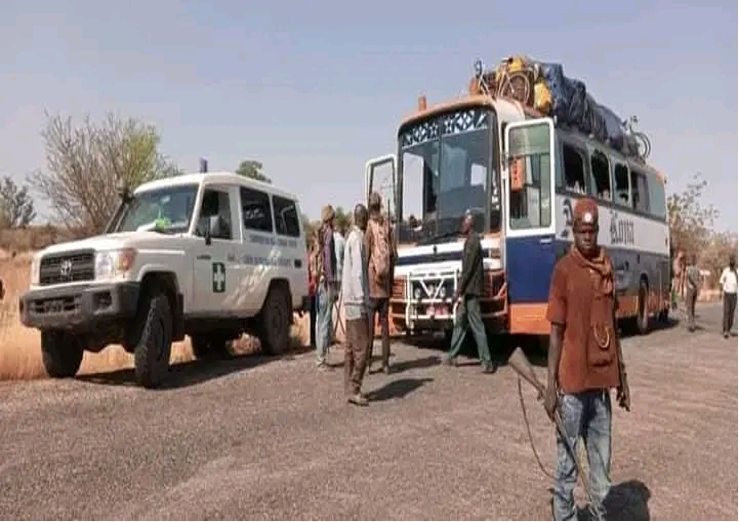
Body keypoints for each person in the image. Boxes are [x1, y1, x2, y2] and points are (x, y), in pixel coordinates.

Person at [544, 197, 631, 522]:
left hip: (601, 389)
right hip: (571, 389)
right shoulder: (563, 271)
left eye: (592, 230)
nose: (587, 236)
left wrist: (622, 378)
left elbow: (613, 327)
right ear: (574, 230)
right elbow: (555, 333)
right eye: (582, 230)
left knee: (601, 471)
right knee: (566, 468)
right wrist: (552, 385)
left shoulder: (606, 268)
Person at [441, 211, 495, 373]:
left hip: (471, 291)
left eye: (464, 222)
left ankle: (487, 361)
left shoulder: (473, 242)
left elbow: (468, 270)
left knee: (476, 325)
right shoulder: (471, 241)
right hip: (468, 291)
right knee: (460, 322)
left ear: (470, 224)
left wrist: (458, 291)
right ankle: (452, 355)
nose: (461, 225)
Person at [341, 203, 371, 406]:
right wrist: (362, 299)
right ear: (365, 219)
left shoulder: (349, 238)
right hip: (357, 300)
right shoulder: (358, 239)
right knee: (363, 346)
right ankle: (355, 388)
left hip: (348, 299)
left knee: (350, 347)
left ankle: (348, 386)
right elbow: (358, 272)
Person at [365, 191, 396, 374]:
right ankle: (385, 363)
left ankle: (368, 363)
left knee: (370, 328)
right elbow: (392, 254)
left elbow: (366, 254)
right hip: (384, 287)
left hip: (372, 285)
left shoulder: (369, 227)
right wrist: (390, 283)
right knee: (385, 328)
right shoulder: (387, 226)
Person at [310, 205, 339, 369]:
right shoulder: (328, 235)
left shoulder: (319, 234)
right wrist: (332, 281)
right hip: (326, 283)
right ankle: (321, 360)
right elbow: (328, 261)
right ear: (331, 218)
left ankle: (320, 357)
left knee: (320, 320)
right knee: (325, 321)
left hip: (319, 283)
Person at [719, 256, 737, 338]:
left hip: (734, 295)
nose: (732, 266)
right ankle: (725, 330)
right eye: (731, 264)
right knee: (726, 312)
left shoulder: (736, 272)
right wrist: (720, 292)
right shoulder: (726, 271)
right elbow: (721, 281)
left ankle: (729, 329)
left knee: (731, 313)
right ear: (729, 264)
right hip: (727, 294)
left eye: (733, 264)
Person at [685, 254, 701, 332]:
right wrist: (697, 286)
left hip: (690, 288)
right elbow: (699, 278)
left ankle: (691, 325)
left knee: (689, 307)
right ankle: (693, 323)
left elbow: (688, 277)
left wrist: (693, 283)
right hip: (695, 289)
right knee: (693, 307)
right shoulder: (697, 269)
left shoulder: (688, 269)